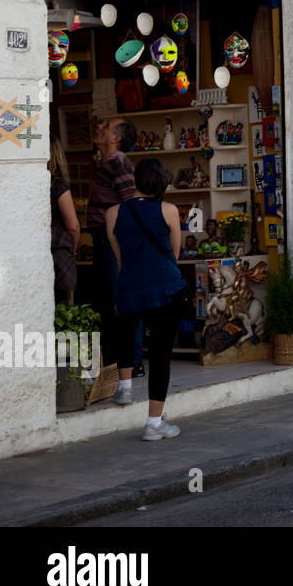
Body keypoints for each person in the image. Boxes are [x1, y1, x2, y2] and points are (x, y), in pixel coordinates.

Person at [104, 159, 185, 440]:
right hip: (164, 286)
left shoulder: (113, 213)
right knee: (161, 354)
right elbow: (174, 252)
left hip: (129, 285)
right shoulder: (169, 210)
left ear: (135, 181)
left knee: (126, 335)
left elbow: (118, 256)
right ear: (162, 181)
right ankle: (154, 423)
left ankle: (124, 387)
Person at [85, 116, 137, 369]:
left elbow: (130, 203)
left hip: (112, 240)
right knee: (108, 300)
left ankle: (130, 361)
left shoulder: (119, 163)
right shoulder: (106, 162)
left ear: (116, 138)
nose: (99, 127)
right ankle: (117, 360)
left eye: (105, 126)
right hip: (103, 238)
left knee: (119, 299)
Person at [49, 135, 81, 305]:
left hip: (37, 249)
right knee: (64, 307)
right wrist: (73, 249)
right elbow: (73, 225)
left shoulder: (32, 184)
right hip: (58, 250)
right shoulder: (58, 185)